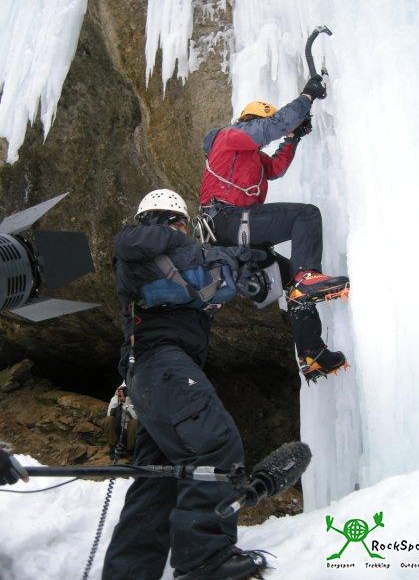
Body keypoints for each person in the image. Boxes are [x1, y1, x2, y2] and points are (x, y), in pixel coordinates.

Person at [102, 189, 267, 580]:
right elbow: (130, 240)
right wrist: (184, 238)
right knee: (213, 442)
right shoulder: (138, 244)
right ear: (162, 221)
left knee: (156, 484)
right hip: (161, 364)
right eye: (179, 224)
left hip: (155, 375)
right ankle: (204, 559)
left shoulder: (163, 265)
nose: (183, 232)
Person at [199, 74, 349, 381]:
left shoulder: (251, 157)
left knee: (291, 278)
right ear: (250, 121)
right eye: (260, 125)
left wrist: (293, 138)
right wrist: (306, 97)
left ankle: (312, 353)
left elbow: (276, 168)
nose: (263, 138)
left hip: (235, 231)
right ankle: (308, 278)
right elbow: (273, 126)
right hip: (227, 220)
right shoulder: (230, 136)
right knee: (305, 216)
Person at [102, 385, 138, 459]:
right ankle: (113, 448)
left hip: (130, 434)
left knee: (134, 422)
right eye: (120, 390)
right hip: (117, 431)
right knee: (108, 420)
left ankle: (131, 451)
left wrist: (126, 403)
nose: (122, 392)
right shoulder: (114, 399)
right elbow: (109, 415)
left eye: (124, 390)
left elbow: (135, 417)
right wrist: (117, 401)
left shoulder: (134, 399)